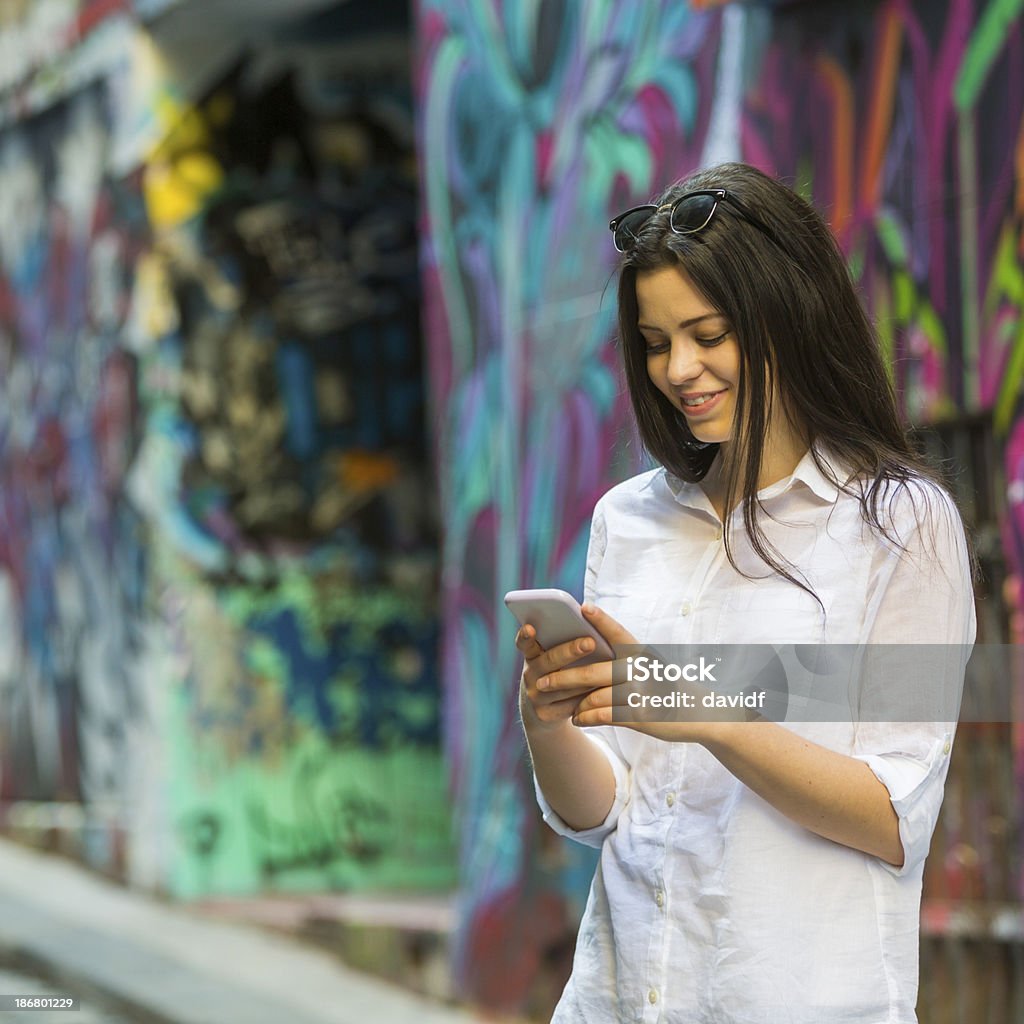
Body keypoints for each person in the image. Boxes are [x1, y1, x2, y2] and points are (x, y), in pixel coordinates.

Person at [515, 162, 976, 1023]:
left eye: (708, 333)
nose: (678, 369)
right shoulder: (629, 519)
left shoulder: (903, 524)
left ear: (786, 316)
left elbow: (893, 813)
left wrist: (705, 708)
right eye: (655, 343)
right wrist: (547, 718)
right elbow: (601, 813)